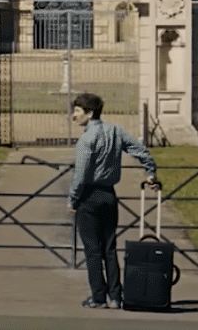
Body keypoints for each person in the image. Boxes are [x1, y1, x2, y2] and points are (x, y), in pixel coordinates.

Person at [67, 91, 159, 310]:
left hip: (89, 196)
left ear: (89, 114)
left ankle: (98, 297)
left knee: (92, 250)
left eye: (77, 111)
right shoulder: (116, 131)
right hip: (109, 194)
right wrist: (150, 172)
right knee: (109, 247)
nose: (73, 115)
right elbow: (140, 149)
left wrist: (72, 199)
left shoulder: (86, 140)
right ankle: (116, 296)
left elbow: (81, 174)